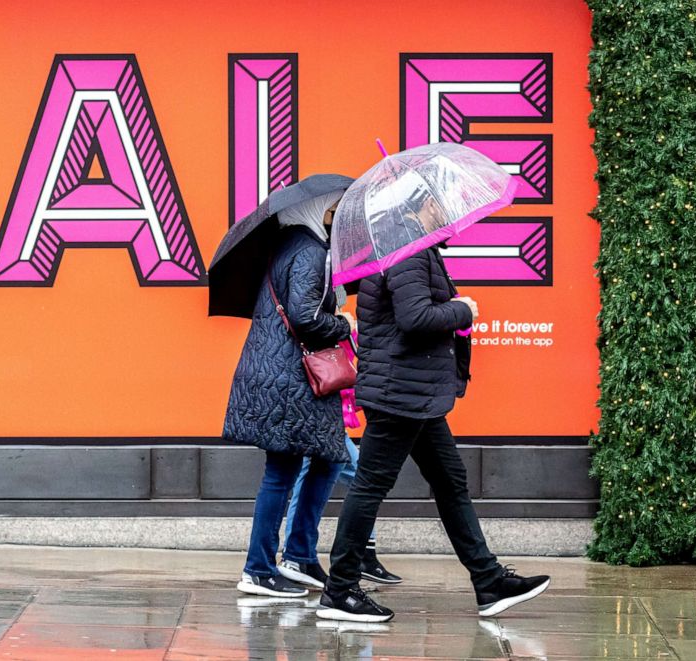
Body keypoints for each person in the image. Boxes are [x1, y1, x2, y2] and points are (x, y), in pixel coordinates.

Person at [317, 246, 550, 622]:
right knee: (371, 484)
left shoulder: (406, 250)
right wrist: (463, 309)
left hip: (415, 393)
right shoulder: (407, 252)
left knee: (450, 481)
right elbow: (414, 317)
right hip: (401, 394)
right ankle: (340, 590)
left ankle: (488, 581)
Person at [224, 191, 354, 598]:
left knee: (328, 459)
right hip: (292, 381)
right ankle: (259, 569)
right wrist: (343, 323)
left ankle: (298, 555)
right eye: (333, 210)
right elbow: (304, 317)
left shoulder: (290, 246)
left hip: (283, 376)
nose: (336, 218)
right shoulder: (310, 250)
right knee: (281, 473)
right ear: (316, 209)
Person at [281, 433, 402, 587]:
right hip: (321, 421)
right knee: (356, 477)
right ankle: (296, 557)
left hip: (327, 422)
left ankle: (297, 556)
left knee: (358, 477)